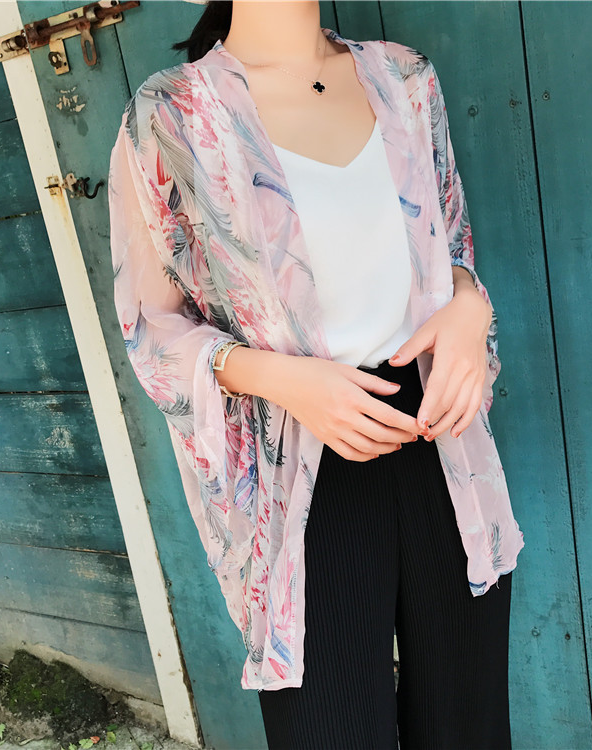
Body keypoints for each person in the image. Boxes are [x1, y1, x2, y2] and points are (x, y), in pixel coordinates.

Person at [108, 1, 525, 747]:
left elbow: (453, 245)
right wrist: (282, 379)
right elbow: (151, 328)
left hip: (443, 442)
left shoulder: (404, 77)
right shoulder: (171, 114)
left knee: (469, 724)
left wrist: (470, 309)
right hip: (298, 462)